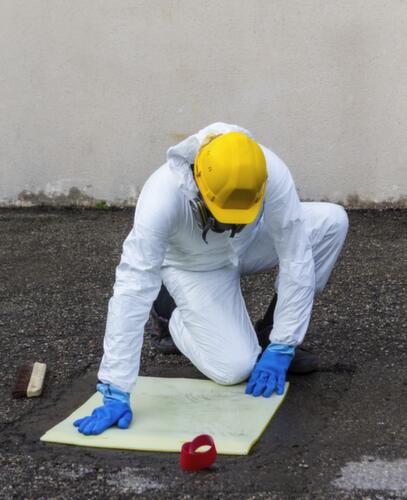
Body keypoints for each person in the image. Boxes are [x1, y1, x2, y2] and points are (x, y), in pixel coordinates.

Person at [74, 122, 348, 436]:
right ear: (199, 183)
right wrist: (116, 387)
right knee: (234, 368)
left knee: (332, 222)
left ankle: (270, 333)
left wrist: (284, 343)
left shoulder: (266, 169)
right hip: (194, 267)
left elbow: (295, 252)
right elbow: (131, 289)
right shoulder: (163, 195)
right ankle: (171, 314)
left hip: (246, 244)